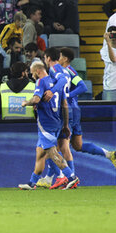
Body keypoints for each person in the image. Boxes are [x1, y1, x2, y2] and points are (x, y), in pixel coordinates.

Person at [37, 48, 116, 188]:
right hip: (75, 109)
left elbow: (81, 87)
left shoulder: (57, 70)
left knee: (57, 145)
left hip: (67, 109)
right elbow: (81, 86)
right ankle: (108, 154)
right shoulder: (71, 71)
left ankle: (68, 177)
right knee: (77, 145)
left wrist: (62, 95)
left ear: (65, 58)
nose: (58, 58)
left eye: (60, 55)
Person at [18, 61, 79, 190]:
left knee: (51, 152)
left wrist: (25, 103)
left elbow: (36, 99)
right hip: (57, 122)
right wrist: (66, 125)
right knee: (40, 153)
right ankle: (32, 183)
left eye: (32, 73)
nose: (31, 75)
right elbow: (65, 105)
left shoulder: (41, 82)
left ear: (38, 71)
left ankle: (71, 177)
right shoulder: (56, 84)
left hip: (45, 124)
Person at [100, 26, 116, 100]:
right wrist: (108, 43)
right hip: (110, 86)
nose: (114, 38)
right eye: (112, 35)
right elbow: (113, 59)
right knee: (110, 111)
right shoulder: (104, 50)